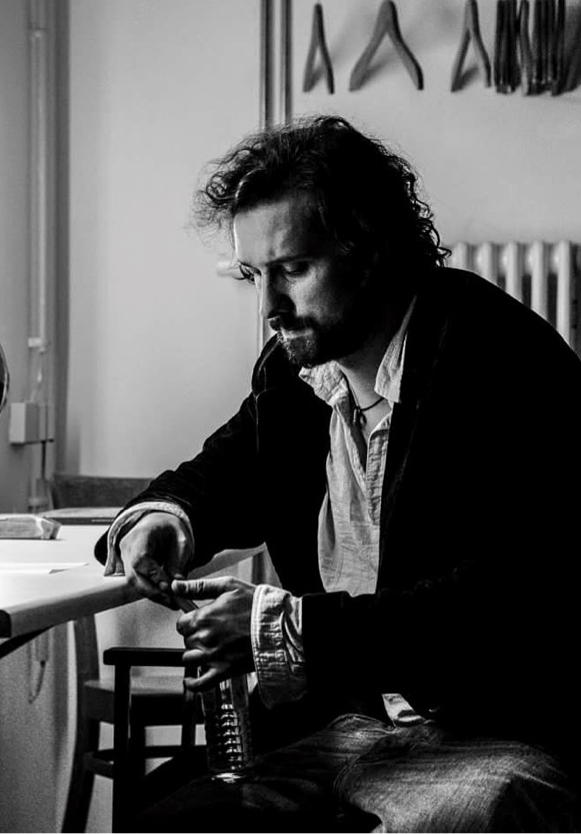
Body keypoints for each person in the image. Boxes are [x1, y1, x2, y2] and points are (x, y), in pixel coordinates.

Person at [97, 114, 581, 831]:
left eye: (292, 269)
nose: (268, 307)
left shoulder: (491, 356)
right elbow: (224, 472)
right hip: (352, 728)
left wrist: (281, 628)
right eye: (253, 276)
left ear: (370, 249)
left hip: (505, 732)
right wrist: (168, 520)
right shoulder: (302, 372)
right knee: (165, 819)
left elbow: (498, 604)